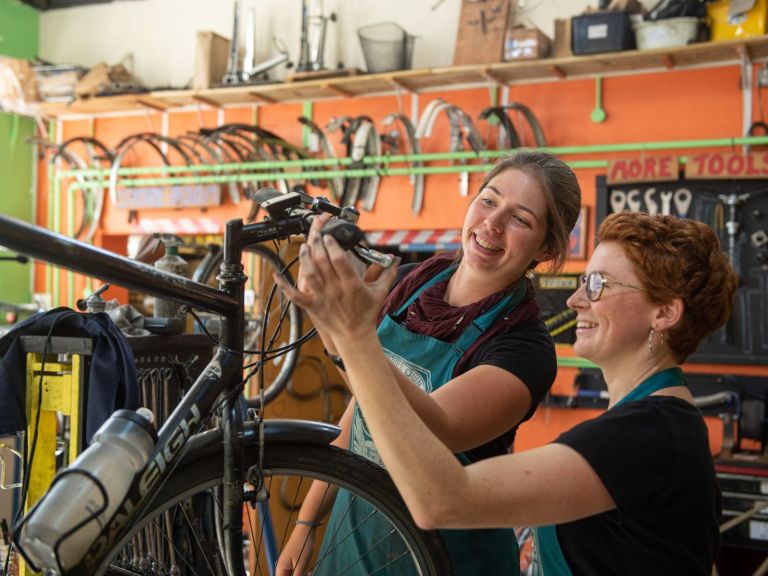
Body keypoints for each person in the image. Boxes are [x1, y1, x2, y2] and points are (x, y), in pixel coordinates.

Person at [280, 210, 738, 575]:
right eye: (583, 282)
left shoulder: (648, 435)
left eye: (599, 284)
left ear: (664, 313)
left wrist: (357, 338)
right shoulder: (654, 425)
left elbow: (441, 500)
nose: (578, 300)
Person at [274, 150, 582, 576]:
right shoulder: (409, 284)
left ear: (547, 246)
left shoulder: (523, 347)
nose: (492, 224)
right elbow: (363, 412)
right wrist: (306, 525)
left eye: (520, 219)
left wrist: (347, 336)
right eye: (489, 200)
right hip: (353, 545)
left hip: (446, 560)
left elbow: (434, 427)